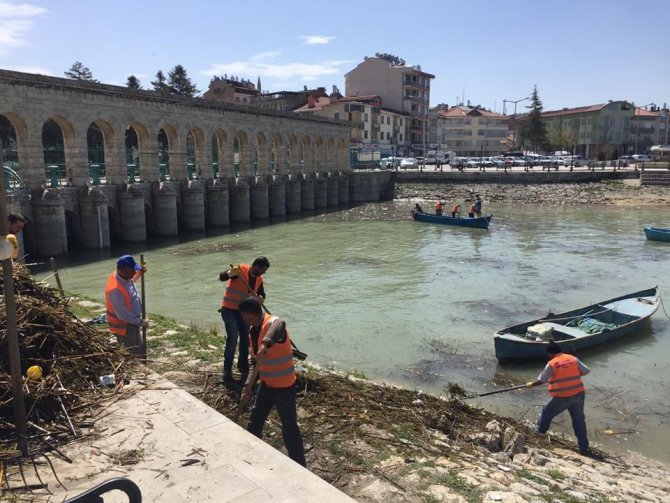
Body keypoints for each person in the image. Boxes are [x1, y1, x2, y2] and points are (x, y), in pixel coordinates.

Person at [239, 296, 306, 467]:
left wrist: (266, 344)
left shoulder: (271, 323)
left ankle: (299, 465)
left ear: (247, 314)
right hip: (266, 386)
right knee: (255, 420)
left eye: (242, 316)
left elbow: (280, 323)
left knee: (289, 428)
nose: (242, 319)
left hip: (284, 387)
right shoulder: (252, 331)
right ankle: (252, 455)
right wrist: (248, 385)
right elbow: (255, 362)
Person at [526, 342, 591, 455]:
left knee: (546, 412)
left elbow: (542, 380)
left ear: (550, 354)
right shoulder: (572, 358)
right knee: (579, 421)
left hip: (563, 397)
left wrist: (531, 384)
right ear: (560, 351)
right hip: (579, 394)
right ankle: (584, 448)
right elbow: (586, 370)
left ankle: (538, 434)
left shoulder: (552, 363)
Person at [219, 256, 270, 386]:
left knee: (246, 339)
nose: (264, 273)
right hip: (229, 310)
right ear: (257, 266)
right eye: (263, 270)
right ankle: (227, 371)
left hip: (244, 313)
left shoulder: (259, 279)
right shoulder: (240, 270)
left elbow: (262, 294)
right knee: (232, 338)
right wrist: (229, 274)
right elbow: (221, 277)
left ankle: (242, 364)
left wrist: (261, 298)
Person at [105, 254, 148, 356]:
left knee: (140, 348)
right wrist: (141, 322)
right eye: (132, 270)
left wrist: (140, 273)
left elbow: (131, 280)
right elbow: (123, 315)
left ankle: (143, 363)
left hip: (133, 321)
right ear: (123, 270)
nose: (134, 272)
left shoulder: (124, 277)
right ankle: (139, 369)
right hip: (124, 326)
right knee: (132, 352)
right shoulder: (115, 290)